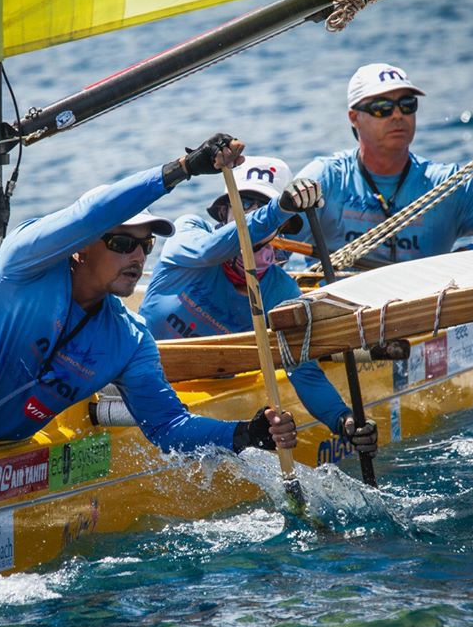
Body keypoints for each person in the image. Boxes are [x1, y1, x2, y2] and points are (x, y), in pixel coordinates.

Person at [0, 134, 296, 455]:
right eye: (123, 242)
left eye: (146, 246)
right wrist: (183, 168)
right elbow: (89, 215)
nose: (137, 256)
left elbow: (169, 428)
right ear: (81, 245)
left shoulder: (129, 340)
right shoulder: (24, 264)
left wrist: (247, 433)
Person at [139, 156, 378, 457]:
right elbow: (209, 249)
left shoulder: (280, 290)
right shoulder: (190, 233)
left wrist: (344, 421)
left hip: (201, 399)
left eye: (262, 207)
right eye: (244, 205)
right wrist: (276, 209)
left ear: (282, 229)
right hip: (137, 380)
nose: (252, 215)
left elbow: (303, 373)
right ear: (224, 212)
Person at [292, 63, 473, 265]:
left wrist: (468, 255)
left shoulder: (444, 185)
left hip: (425, 308)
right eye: (383, 108)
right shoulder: (325, 179)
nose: (398, 115)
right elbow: (273, 245)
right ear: (354, 117)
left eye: (407, 105)